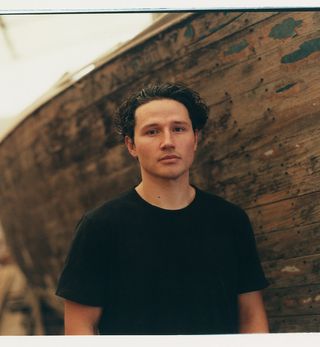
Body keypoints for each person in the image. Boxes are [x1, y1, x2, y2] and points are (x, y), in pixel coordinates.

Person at [56, 82, 269, 335]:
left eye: (178, 129)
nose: (168, 142)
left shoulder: (230, 220)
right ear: (131, 145)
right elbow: (80, 327)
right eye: (152, 132)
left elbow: (251, 315)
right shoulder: (100, 226)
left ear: (196, 138)